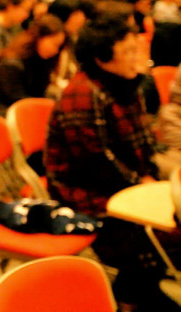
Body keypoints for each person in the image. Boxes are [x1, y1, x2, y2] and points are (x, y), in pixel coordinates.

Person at [45, 17, 180, 311]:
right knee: (151, 235)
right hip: (85, 190)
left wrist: (149, 176)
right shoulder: (82, 94)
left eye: (137, 48)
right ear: (101, 57)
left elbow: (142, 139)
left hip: (123, 180)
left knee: (172, 215)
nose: (138, 57)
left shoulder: (126, 84)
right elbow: (96, 161)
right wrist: (140, 182)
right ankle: (130, 298)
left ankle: (140, 291)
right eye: (128, 51)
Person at [0, 14, 66, 117]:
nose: (55, 50)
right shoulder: (11, 64)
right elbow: (17, 99)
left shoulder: (42, 61)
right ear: (39, 38)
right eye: (54, 44)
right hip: (2, 110)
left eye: (59, 47)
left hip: (25, 108)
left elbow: (39, 94)